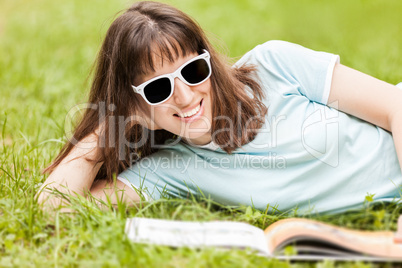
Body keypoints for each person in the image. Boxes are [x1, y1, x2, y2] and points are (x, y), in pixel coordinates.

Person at [37, 1, 402, 215]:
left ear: (209, 61)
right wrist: (108, 127)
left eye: (193, 71)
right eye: (158, 88)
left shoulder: (275, 65)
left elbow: (394, 105)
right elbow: (56, 206)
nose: (183, 97)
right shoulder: (172, 168)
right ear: (136, 102)